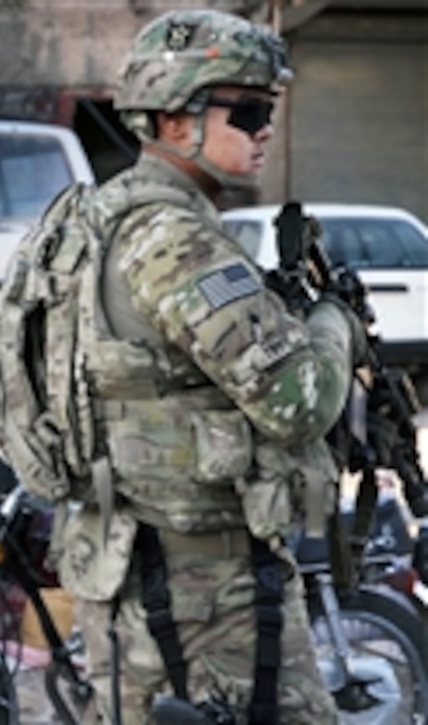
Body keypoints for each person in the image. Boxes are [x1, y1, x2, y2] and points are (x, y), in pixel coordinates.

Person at [51, 9, 362, 724]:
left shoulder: (96, 219)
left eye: (270, 110)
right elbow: (299, 401)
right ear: (171, 117)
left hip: (132, 561)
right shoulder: (174, 238)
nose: (264, 130)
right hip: (202, 588)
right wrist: (330, 323)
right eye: (247, 109)